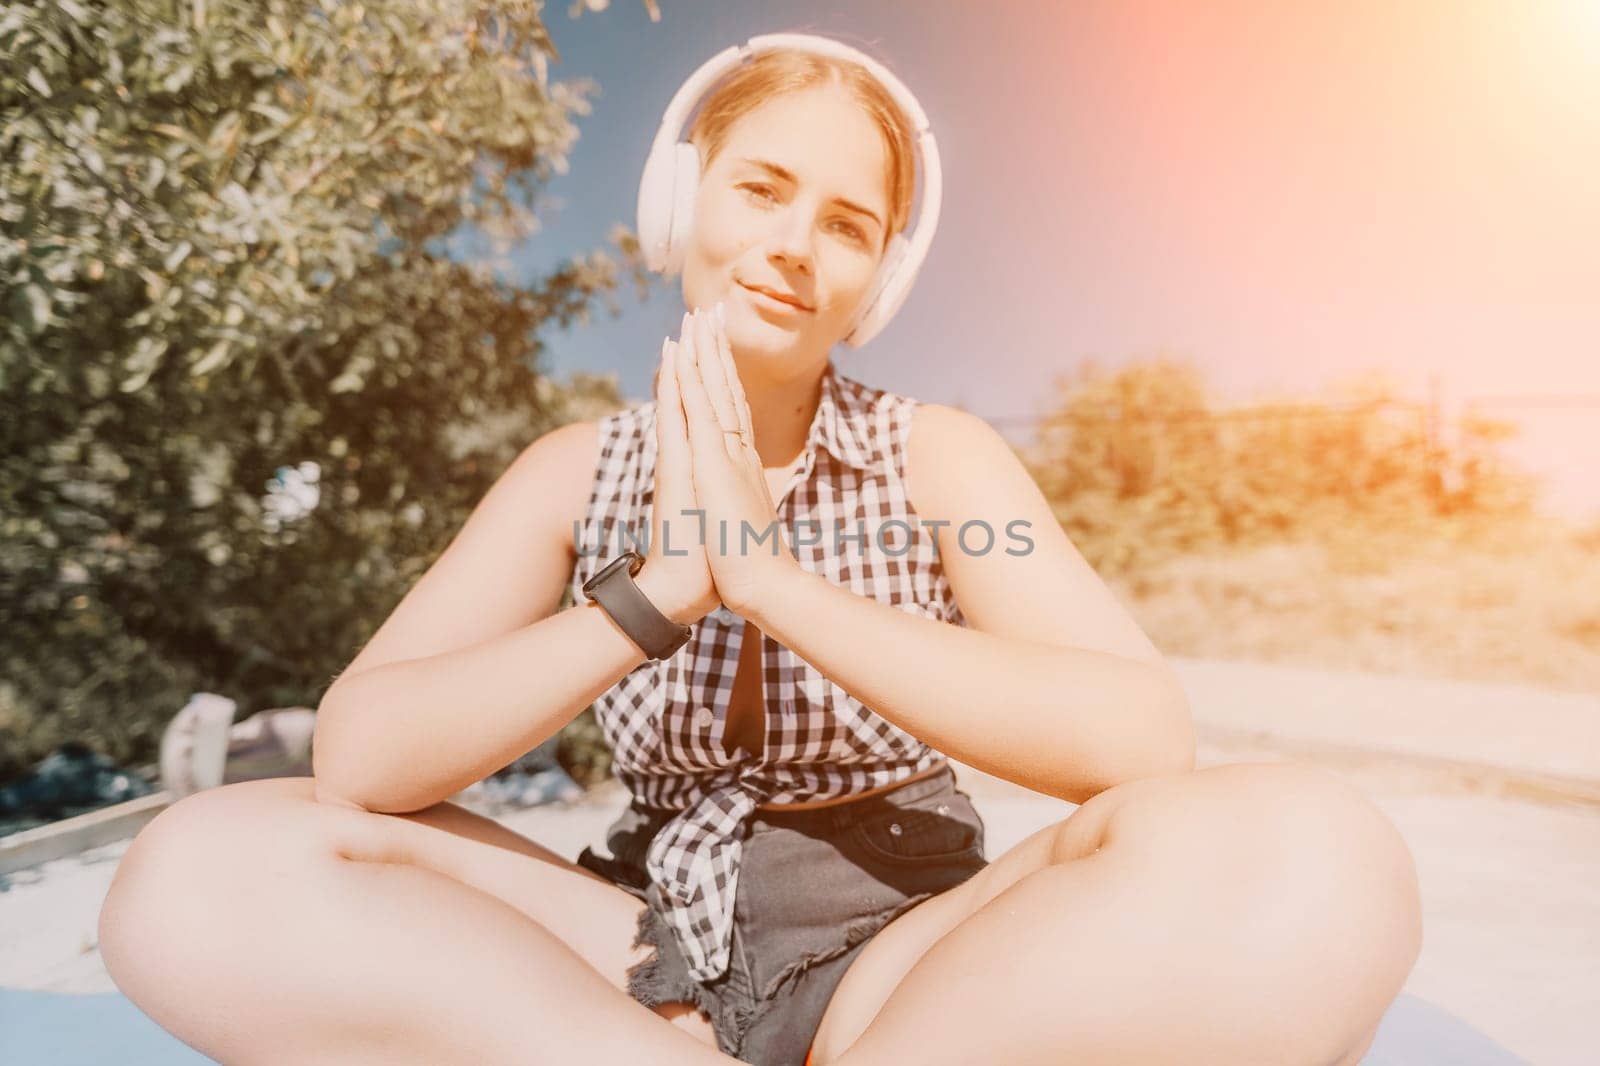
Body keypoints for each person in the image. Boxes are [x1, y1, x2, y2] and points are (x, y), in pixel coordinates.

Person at [97, 32, 1422, 1066]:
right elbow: (361, 754)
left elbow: (1139, 736)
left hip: (908, 958)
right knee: (197, 864)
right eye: (764, 189)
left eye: (847, 223)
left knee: (1319, 850)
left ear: (881, 273)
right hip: (630, 955)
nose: (795, 244)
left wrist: (767, 577)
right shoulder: (569, 472)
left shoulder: (939, 456)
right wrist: (663, 585)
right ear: (685, 202)